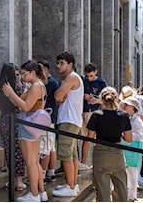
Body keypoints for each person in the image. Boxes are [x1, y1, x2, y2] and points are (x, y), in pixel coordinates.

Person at [2, 60, 48, 202]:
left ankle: (34, 194)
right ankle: (40, 192)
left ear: (33, 72)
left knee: (30, 162)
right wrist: (12, 95)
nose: (22, 77)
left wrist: (11, 93)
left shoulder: (35, 86)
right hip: (33, 124)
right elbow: (21, 103)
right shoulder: (38, 86)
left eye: (24, 74)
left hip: (28, 123)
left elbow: (26, 107)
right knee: (34, 162)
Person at [86, 87, 132, 202]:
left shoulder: (96, 115)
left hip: (100, 153)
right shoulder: (123, 116)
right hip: (117, 153)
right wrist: (119, 132)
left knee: (102, 190)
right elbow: (129, 139)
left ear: (101, 99)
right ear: (116, 99)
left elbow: (89, 138)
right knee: (121, 188)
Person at [52, 52, 83, 197]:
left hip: (68, 120)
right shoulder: (72, 78)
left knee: (65, 155)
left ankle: (70, 186)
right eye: (58, 63)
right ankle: (73, 184)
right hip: (72, 120)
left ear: (70, 65)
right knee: (72, 155)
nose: (58, 66)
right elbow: (59, 99)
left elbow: (57, 96)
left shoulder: (71, 77)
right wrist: (60, 95)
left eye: (62, 63)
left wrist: (60, 94)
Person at [0, 63, 27, 191]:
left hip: (4, 120)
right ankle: (19, 181)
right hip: (18, 121)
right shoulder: (19, 88)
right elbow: (20, 105)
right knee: (19, 151)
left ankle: (11, 180)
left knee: (8, 151)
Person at [80, 62, 107, 170]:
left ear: (95, 72)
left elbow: (106, 98)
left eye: (91, 76)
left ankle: (98, 162)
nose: (89, 78)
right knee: (85, 138)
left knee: (97, 139)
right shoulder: (83, 81)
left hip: (96, 112)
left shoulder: (101, 82)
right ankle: (83, 161)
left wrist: (96, 100)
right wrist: (84, 97)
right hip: (85, 111)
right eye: (87, 76)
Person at [38, 60, 60, 182]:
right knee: (50, 146)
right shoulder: (51, 82)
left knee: (45, 147)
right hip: (49, 118)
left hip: (47, 118)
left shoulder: (50, 83)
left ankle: (43, 174)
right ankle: (50, 172)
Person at [119, 96, 143, 202]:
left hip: (133, 149)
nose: (124, 106)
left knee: (132, 173)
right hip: (125, 148)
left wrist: (127, 135)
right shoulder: (126, 118)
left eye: (127, 105)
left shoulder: (137, 121)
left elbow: (140, 135)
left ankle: (132, 195)